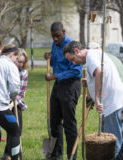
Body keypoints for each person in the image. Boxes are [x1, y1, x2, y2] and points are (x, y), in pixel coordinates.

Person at [63, 41, 123, 156]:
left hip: (113, 103)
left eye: (72, 59)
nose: (74, 63)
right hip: (120, 100)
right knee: (122, 140)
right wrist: (89, 82)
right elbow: (100, 74)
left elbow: (99, 72)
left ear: (76, 51)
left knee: (114, 143)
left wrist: (97, 98)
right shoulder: (95, 54)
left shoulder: (90, 57)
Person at [44, 22, 83, 160]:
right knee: (54, 121)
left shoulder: (72, 46)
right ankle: (56, 153)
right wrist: (49, 59)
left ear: (64, 32)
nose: (55, 39)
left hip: (71, 86)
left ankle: (71, 155)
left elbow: (76, 71)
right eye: (53, 36)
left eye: (58, 36)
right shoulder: (55, 45)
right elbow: (57, 63)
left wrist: (55, 76)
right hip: (58, 85)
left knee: (69, 123)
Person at [1, 49, 29, 160]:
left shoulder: (23, 72)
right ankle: (8, 154)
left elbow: (22, 91)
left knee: (17, 131)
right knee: (11, 130)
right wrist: (8, 102)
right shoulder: (7, 70)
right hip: (4, 103)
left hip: (17, 104)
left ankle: (10, 154)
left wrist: (14, 102)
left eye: (22, 62)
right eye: (18, 61)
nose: (20, 64)